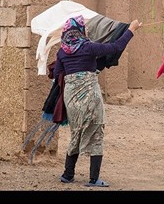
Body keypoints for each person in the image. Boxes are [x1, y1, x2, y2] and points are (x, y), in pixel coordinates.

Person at [53, 15, 142, 187]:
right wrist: (131, 29)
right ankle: (94, 179)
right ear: (80, 30)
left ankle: (67, 175)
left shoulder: (62, 51)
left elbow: (58, 75)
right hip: (90, 95)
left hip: (71, 97)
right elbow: (116, 46)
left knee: (76, 132)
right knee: (96, 130)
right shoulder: (88, 47)